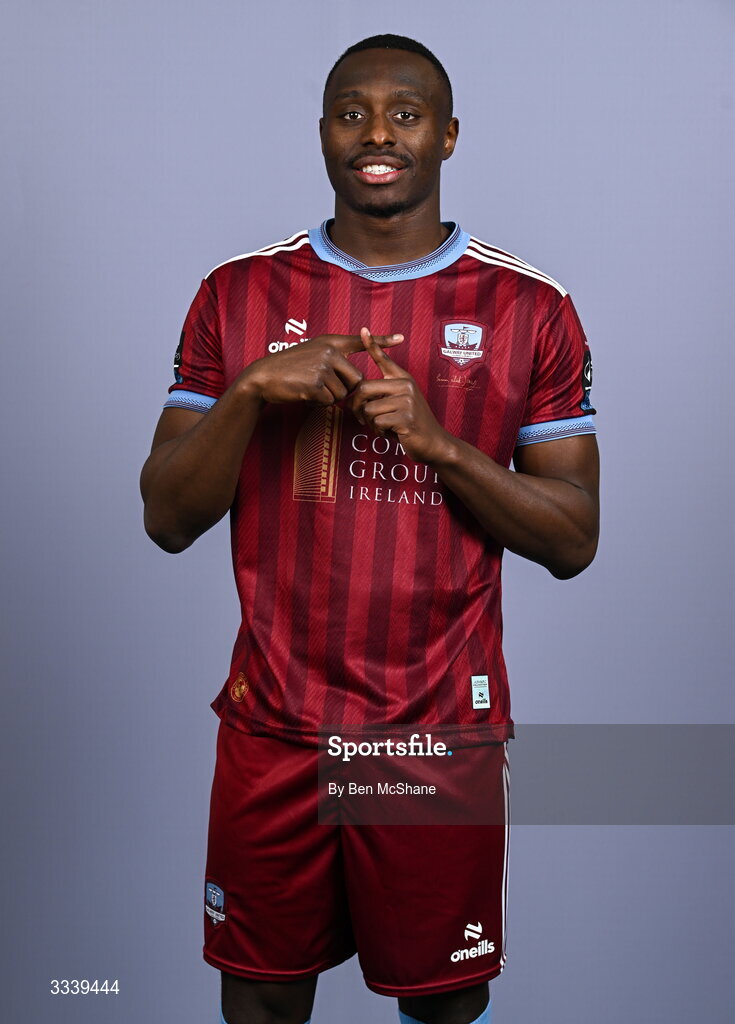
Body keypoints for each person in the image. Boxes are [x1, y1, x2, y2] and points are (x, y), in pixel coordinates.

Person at [140, 33, 599, 1024]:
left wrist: (442, 446)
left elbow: (573, 536)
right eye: (352, 112)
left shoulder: (531, 308)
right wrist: (255, 390)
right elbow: (167, 515)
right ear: (321, 135)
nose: (377, 133)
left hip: (435, 731)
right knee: (260, 999)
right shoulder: (237, 294)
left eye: (405, 113)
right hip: (274, 723)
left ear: (448, 135)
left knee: (441, 1002)